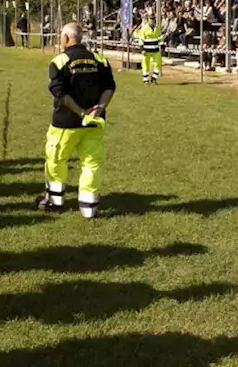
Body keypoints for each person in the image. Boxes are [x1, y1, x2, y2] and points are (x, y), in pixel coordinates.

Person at [36, 23, 117, 218]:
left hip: (66, 122)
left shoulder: (59, 61)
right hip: (94, 122)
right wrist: (100, 108)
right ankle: (89, 208)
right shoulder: (100, 59)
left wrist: (81, 113)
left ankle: (55, 202)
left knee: (56, 160)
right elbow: (110, 87)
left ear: (66, 38)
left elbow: (60, 94)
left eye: (60, 36)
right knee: (92, 163)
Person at [134, 15, 163, 84]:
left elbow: (159, 38)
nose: (152, 21)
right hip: (146, 51)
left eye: (153, 19)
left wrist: (162, 46)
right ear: (148, 20)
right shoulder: (144, 29)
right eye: (151, 19)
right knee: (145, 65)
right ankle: (145, 79)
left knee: (158, 64)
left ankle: (154, 78)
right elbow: (141, 40)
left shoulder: (157, 28)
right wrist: (142, 49)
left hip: (156, 50)